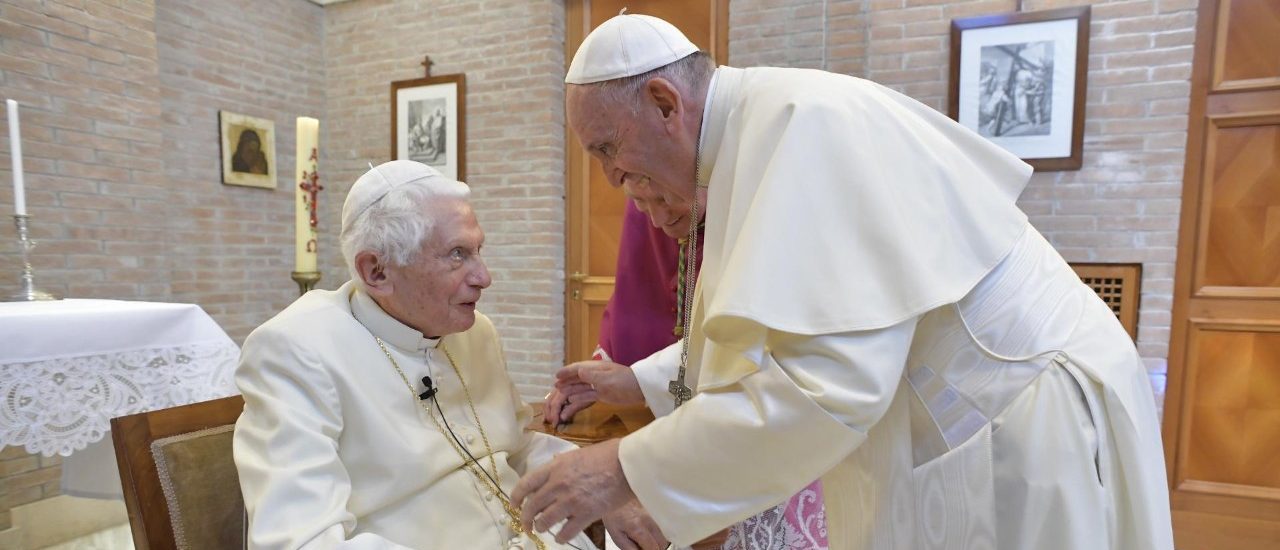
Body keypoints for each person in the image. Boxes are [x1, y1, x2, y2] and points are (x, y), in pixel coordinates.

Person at [512, 13, 1174, 550]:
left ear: (664, 103)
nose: (610, 181)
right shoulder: (755, 136)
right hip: (972, 412)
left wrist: (622, 467)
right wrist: (643, 383)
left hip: (1012, 420)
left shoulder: (804, 127)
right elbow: (781, 332)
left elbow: (823, 387)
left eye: (605, 149)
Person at [233, 160, 595, 550]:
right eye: (457, 255)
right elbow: (301, 542)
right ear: (376, 272)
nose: (483, 277)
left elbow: (520, 448)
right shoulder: (296, 350)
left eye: (478, 250)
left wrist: (606, 484)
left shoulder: (476, 333)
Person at [544, 182, 829, 550]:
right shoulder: (650, 189)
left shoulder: (759, 205)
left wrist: (629, 465)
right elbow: (641, 300)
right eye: (642, 201)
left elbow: (756, 347)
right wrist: (623, 373)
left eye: (662, 197)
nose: (658, 218)